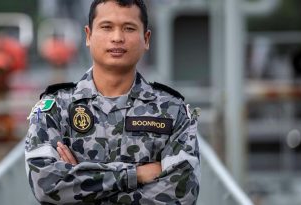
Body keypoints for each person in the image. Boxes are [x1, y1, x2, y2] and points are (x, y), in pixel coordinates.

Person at [24, 0, 200, 204]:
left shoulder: (172, 111)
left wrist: (80, 185)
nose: (117, 38)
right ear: (88, 35)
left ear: (146, 39)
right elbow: (45, 185)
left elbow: (182, 192)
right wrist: (136, 175)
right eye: (107, 27)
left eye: (129, 28)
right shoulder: (55, 109)